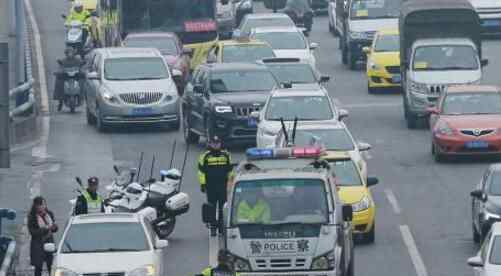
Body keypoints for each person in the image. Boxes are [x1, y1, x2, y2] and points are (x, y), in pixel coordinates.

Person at [198, 136, 233, 236]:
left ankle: (222, 227)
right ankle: (213, 226)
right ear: (210, 144)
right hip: (211, 186)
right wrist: (203, 184)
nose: (216, 145)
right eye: (213, 143)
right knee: (211, 207)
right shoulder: (205, 156)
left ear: (220, 143)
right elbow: (201, 172)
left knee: (223, 207)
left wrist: (230, 184)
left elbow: (230, 171)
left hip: (223, 186)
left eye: (217, 143)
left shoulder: (226, 155)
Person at [28, 196, 58, 276]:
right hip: (38, 245)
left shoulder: (49, 214)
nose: (43, 206)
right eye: (41, 204)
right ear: (36, 206)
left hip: (49, 242)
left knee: (51, 266)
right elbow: (33, 232)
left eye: (44, 204)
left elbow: (54, 229)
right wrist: (46, 228)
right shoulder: (32, 217)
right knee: (38, 267)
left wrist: (54, 227)